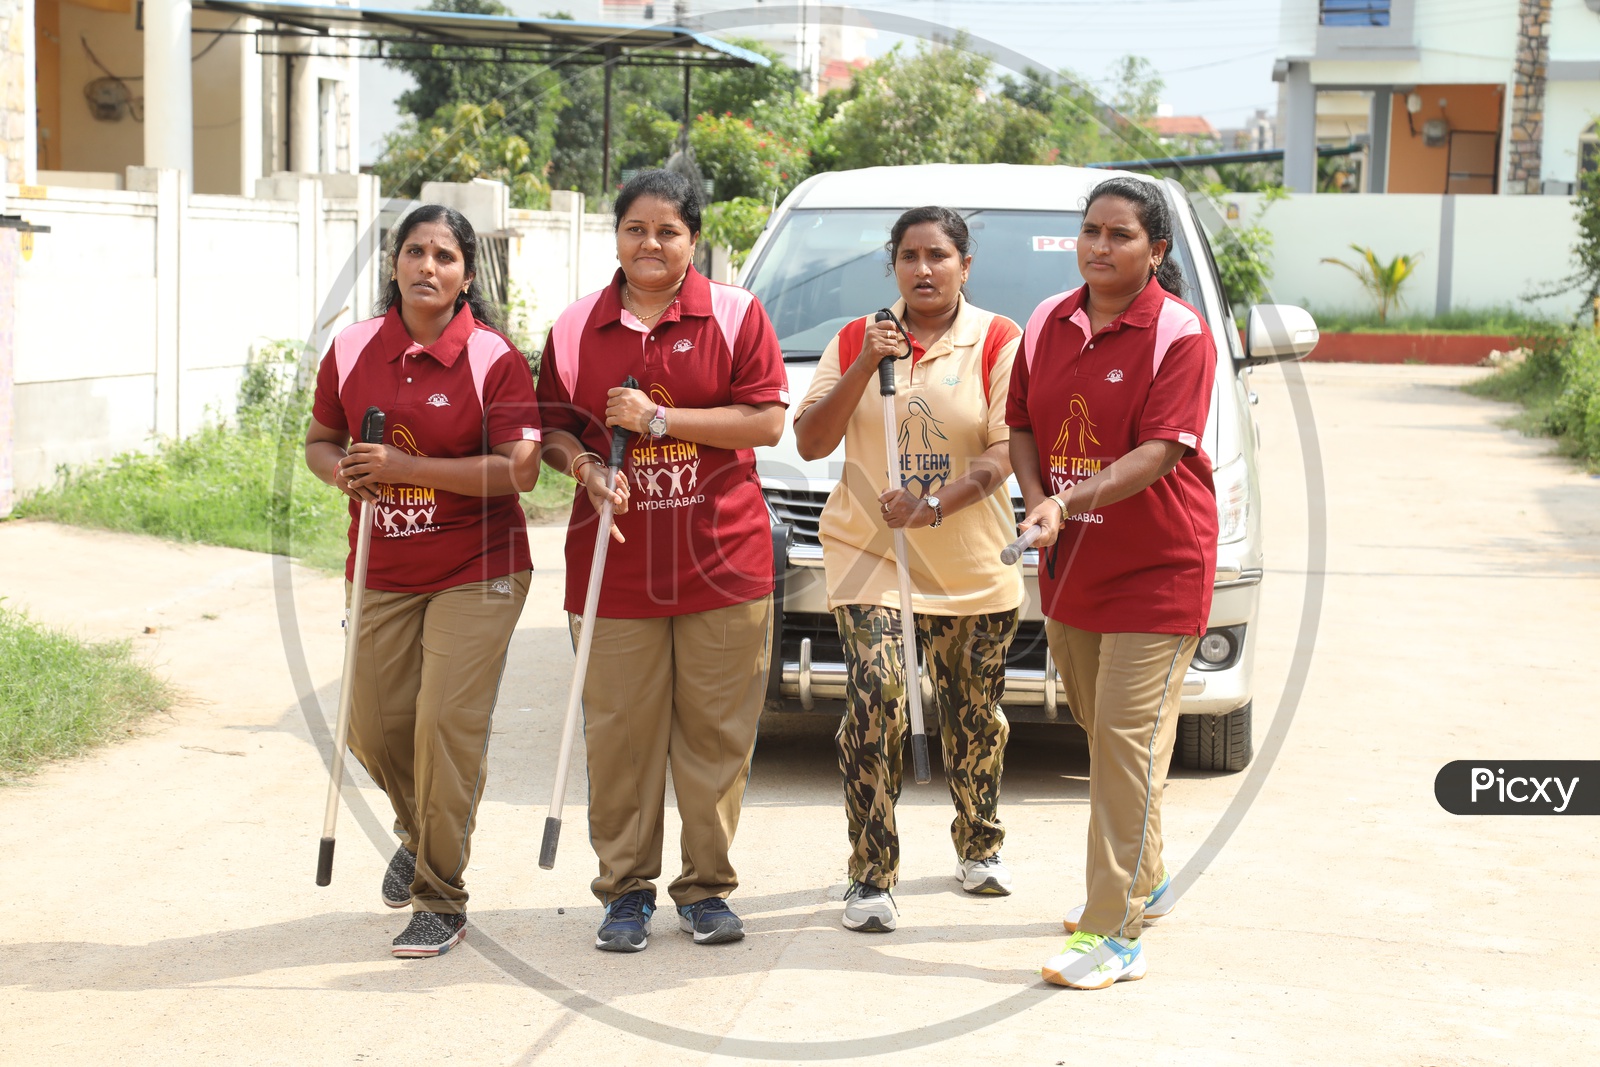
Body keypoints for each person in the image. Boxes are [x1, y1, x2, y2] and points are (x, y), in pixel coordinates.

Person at [535, 169, 788, 953]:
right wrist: (585, 467)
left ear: (693, 239)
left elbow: (767, 422)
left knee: (714, 736)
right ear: (616, 236)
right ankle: (625, 891)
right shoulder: (577, 327)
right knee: (620, 736)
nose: (651, 243)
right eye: (636, 228)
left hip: (722, 561)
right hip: (615, 567)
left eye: (668, 230)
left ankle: (706, 889)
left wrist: (658, 418)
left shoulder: (737, 314)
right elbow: (551, 428)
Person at [305, 205, 542, 958]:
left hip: (480, 567)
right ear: (395, 263)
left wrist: (407, 469)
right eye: (415, 251)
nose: (427, 266)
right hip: (383, 565)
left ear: (467, 274)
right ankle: (418, 830)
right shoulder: (350, 349)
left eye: (445, 255)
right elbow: (320, 440)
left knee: (443, 725)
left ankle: (440, 894)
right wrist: (343, 472)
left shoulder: (492, 357)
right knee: (372, 725)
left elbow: (520, 469)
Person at [1008, 176, 1219, 988]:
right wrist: (1037, 502)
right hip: (1074, 569)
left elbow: (1159, 453)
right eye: (1090, 231)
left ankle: (1113, 931)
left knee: (1124, 747)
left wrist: (1064, 499)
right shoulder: (1046, 320)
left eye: (1120, 235)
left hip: (1160, 571)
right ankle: (1149, 875)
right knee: (1107, 739)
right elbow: (1020, 420)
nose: (1100, 246)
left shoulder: (1179, 332)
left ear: (1156, 250)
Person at [792, 206, 1024, 933]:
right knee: (878, 695)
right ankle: (870, 872)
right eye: (909, 256)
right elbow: (808, 440)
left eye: (939, 255)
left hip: (968, 558)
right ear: (892, 264)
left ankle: (978, 840)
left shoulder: (996, 339)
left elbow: (1001, 454)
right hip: (868, 553)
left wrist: (931, 504)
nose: (924, 269)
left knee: (972, 715)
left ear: (965, 264)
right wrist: (867, 360)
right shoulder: (850, 338)